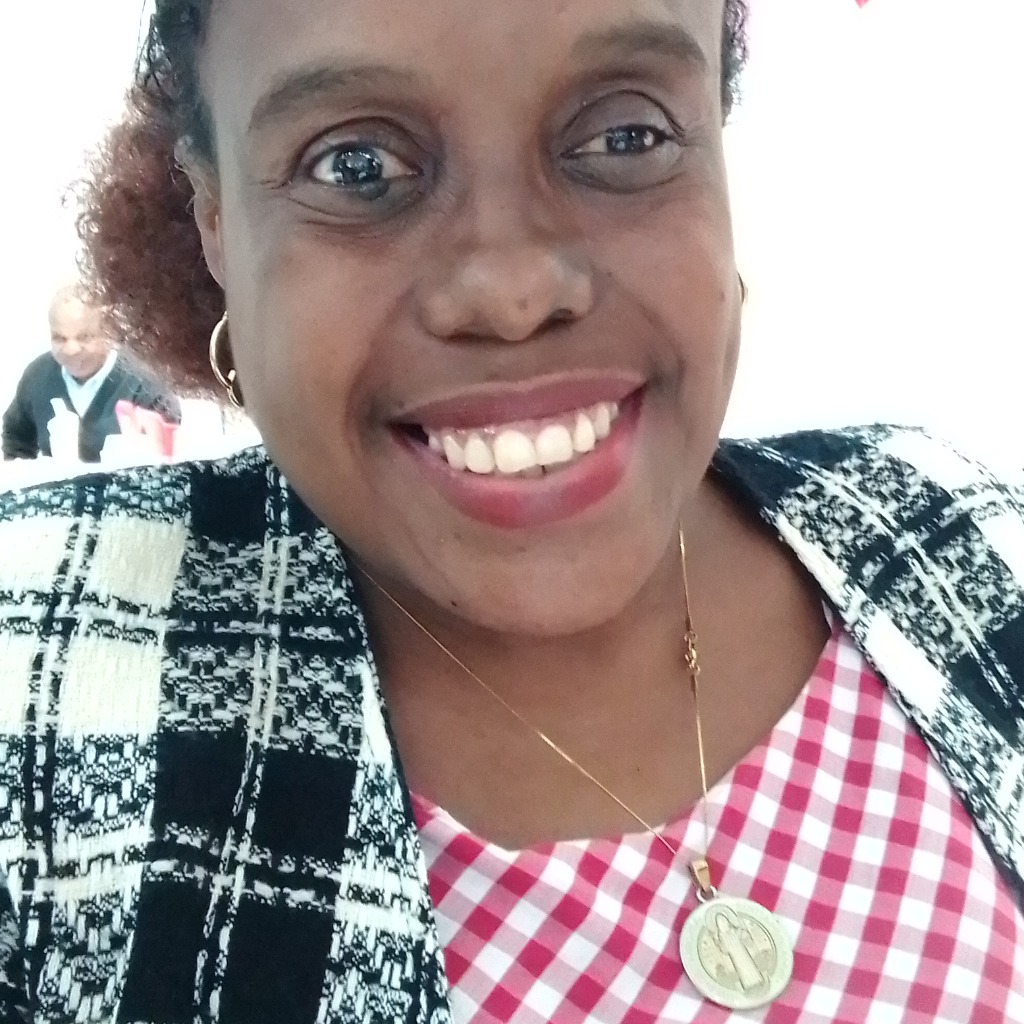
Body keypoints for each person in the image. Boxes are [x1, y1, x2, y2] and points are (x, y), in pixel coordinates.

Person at [0, 1, 1021, 1022]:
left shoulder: (952, 529)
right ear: (216, 220)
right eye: (356, 166)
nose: (513, 289)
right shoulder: (40, 672)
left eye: (628, 136)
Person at [1, 285, 180, 463]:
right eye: (59, 338)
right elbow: (15, 439)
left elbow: (170, 451)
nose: (71, 350)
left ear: (110, 333)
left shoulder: (145, 383)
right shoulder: (37, 377)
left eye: (84, 337)